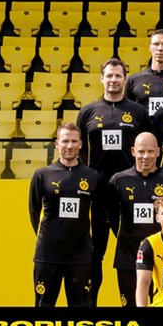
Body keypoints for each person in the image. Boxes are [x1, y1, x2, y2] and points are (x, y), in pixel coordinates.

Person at [75, 57, 149, 306]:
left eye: (118, 75)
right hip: (96, 194)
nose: (114, 80)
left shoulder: (138, 112)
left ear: (125, 79)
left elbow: (147, 148)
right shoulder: (88, 111)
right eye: (109, 75)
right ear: (102, 78)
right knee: (94, 254)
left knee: (134, 254)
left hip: (129, 194)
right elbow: (79, 150)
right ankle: (89, 304)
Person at [105, 132, 163, 307]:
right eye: (141, 151)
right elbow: (111, 215)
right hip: (128, 256)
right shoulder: (118, 180)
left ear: (158, 152)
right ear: (133, 151)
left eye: (150, 151)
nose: (145, 156)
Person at [28, 122, 100, 307]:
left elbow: (99, 214)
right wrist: (47, 236)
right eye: (65, 141)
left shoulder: (92, 176)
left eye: (74, 141)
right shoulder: (42, 175)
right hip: (48, 253)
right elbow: (34, 210)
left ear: (81, 144)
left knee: (81, 306)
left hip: (80, 255)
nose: (70, 146)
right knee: (44, 304)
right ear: (57, 144)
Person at [127, 29, 163, 116]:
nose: (160, 48)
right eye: (156, 44)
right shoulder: (134, 79)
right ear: (150, 48)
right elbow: (127, 110)